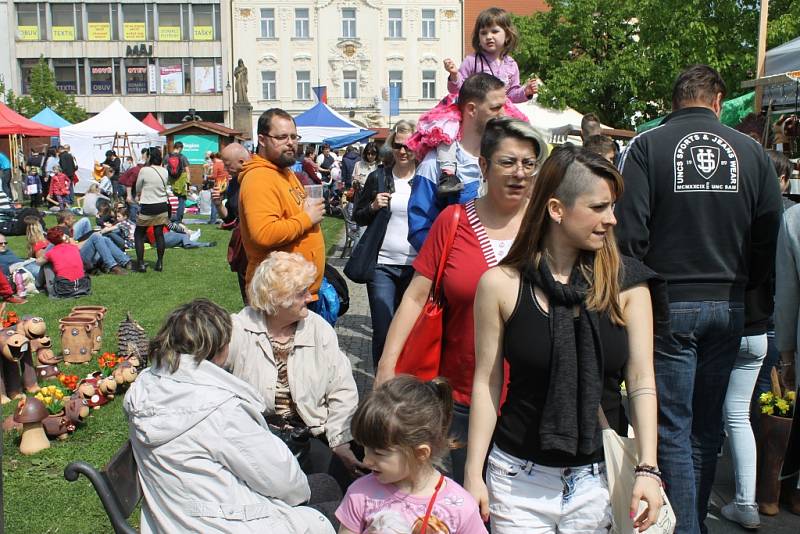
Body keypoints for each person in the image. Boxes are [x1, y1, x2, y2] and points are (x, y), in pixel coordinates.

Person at [614, 64, 783, 534]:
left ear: (674, 101)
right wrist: (750, 293)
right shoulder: (751, 152)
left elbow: (628, 236)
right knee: (706, 431)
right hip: (729, 303)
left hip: (669, 303)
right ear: (716, 101)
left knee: (673, 429)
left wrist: (637, 302)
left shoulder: (647, 147)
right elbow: (769, 231)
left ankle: (686, 526)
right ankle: (693, 524)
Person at [464, 145, 663, 532]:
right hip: (515, 478)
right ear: (557, 210)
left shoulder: (628, 287)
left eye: (613, 206)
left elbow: (641, 382)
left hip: (599, 479)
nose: (612, 220)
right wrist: (474, 473)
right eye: (599, 207)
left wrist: (648, 468)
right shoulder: (501, 285)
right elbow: (487, 381)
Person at [377, 118, 549, 484]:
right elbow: (415, 296)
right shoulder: (454, 221)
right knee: (472, 501)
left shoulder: (548, 227)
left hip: (538, 396)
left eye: (528, 163)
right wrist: (386, 368)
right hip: (465, 394)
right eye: (508, 162)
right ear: (484, 166)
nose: (519, 173)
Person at [124, 298, 337, 534]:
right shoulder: (218, 409)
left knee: (326, 486)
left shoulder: (146, 389)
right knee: (346, 512)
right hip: (223, 523)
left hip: (175, 517)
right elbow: (282, 480)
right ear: (220, 347)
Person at [226, 252, 362, 492]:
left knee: (331, 484)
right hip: (254, 438)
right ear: (276, 298)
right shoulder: (237, 329)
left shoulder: (318, 329)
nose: (310, 298)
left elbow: (342, 389)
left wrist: (339, 439)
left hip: (310, 433)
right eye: (301, 293)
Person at [336, 376, 487, 533]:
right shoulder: (360, 494)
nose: (367, 460)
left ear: (421, 453)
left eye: (379, 453)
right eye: (365, 448)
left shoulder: (461, 508)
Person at [414, 8, 535, 197]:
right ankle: (448, 172)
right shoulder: (472, 60)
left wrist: (525, 92)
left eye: (494, 31)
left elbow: (511, 94)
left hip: (499, 107)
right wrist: (454, 75)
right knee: (447, 131)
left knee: (517, 134)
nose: (489, 36)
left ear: (507, 35)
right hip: (466, 105)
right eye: (483, 32)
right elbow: (459, 89)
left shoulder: (511, 64)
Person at [407, 73, 509, 251]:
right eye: (495, 108)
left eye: (504, 106)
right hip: (456, 273)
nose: (503, 114)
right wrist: (457, 262)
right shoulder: (434, 165)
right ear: (471, 109)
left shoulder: (505, 161)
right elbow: (419, 230)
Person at [238, 108, 326, 301]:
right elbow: (263, 234)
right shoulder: (259, 178)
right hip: (277, 296)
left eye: (294, 137)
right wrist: (307, 218)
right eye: (282, 137)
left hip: (294, 293)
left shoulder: (283, 171)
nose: (290, 143)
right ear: (262, 139)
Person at [353, 120, 418, 367]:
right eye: (398, 146)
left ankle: (404, 381)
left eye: (409, 145)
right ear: (391, 146)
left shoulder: (425, 179)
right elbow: (358, 214)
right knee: (383, 328)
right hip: (382, 266)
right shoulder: (378, 176)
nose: (403, 151)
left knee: (411, 330)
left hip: (416, 268)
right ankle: (382, 385)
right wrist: (372, 206)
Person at [218, 142, 252, 303]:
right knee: (248, 295)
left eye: (227, 165)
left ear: (242, 162)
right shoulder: (233, 183)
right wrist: (218, 204)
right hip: (243, 245)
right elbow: (230, 218)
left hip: (261, 246)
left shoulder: (258, 178)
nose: (225, 169)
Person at [56, 210, 131, 275]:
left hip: (79, 257)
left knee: (104, 239)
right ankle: (112, 266)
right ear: (66, 220)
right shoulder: (62, 231)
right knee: (96, 236)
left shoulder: (63, 230)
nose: (75, 220)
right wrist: (90, 238)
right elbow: (75, 248)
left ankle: (125, 261)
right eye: (72, 219)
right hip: (78, 260)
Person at [134, 147, 170, 273]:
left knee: (139, 234)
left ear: (149, 157)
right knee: (159, 234)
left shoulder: (144, 170)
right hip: (162, 204)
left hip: (148, 205)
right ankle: (159, 262)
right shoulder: (164, 171)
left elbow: (138, 187)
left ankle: (141, 263)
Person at [36, 226, 91, 298]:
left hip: (65, 289)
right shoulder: (74, 247)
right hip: (83, 285)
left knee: (46, 264)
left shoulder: (51, 252)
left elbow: (38, 262)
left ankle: (41, 288)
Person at [120, 147, 149, 222]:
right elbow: (129, 183)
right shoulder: (137, 171)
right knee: (132, 203)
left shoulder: (141, 170)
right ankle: (132, 221)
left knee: (131, 203)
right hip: (123, 185)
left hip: (132, 186)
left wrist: (137, 195)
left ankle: (127, 219)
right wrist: (129, 196)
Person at [166, 142, 191, 223]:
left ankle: (168, 217)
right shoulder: (182, 157)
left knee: (168, 198)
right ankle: (178, 219)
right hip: (182, 180)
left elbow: (163, 167)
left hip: (171, 180)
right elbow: (187, 171)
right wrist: (188, 183)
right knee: (181, 199)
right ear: (180, 148)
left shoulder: (167, 156)